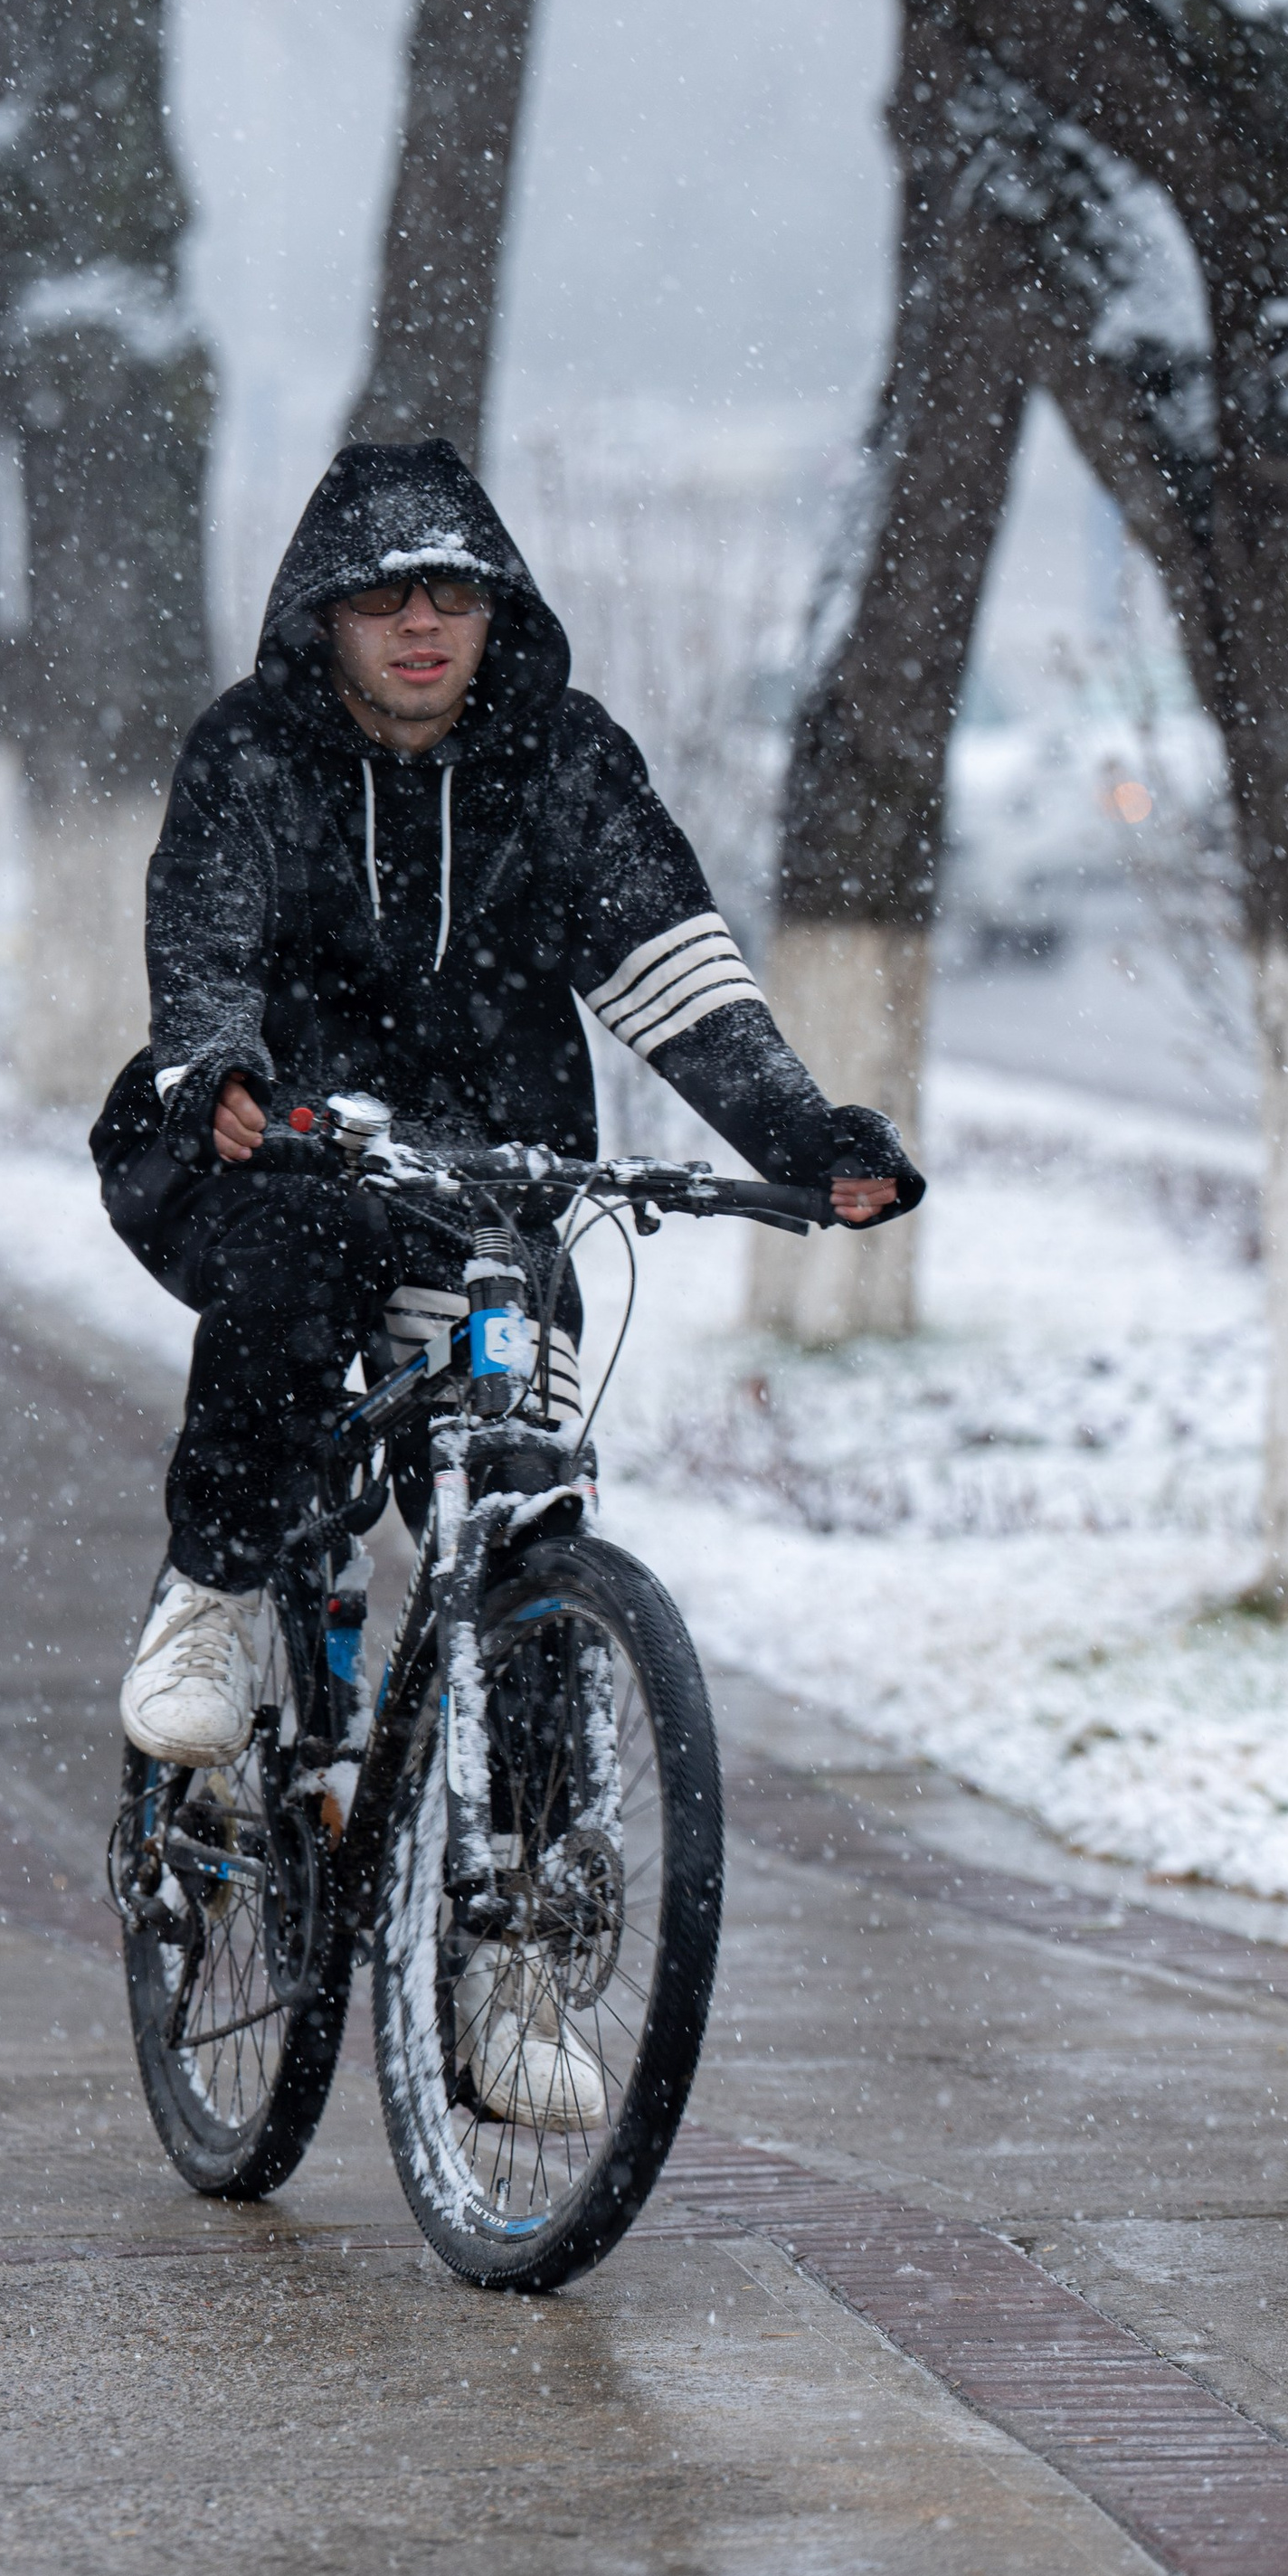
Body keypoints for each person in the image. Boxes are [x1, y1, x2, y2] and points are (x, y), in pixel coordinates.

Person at [92, 438, 921, 1777]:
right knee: (299, 1275)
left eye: (453, 595)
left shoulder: (563, 759)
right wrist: (221, 1073)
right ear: (325, 615)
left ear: (498, 611)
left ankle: (523, 1881)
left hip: (484, 1184)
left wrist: (805, 1136)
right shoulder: (252, 750)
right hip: (272, 1155)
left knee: (520, 1479)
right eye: (382, 598)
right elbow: (206, 941)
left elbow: (674, 967)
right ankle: (219, 1595)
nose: (422, 625)